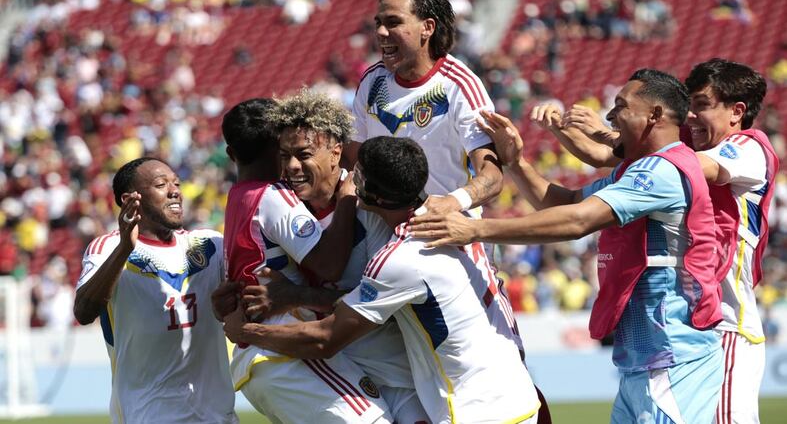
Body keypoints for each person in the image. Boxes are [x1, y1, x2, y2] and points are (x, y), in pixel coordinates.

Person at [411, 69, 724, 423]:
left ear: (654, 115)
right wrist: (514, 161)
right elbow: (564, 203)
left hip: (673, 354)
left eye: (621, 106)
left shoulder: (661, 172)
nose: (609, 116)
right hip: (647, 357)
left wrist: (473, 229)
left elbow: (577, 221)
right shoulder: (637, 171)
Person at [224, 136, 542, 424]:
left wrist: (249, 331)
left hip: (476, 411)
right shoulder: (459, 219)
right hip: (518, 393)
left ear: (373, 195)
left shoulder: (400, 259)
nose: (351, 179)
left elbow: (326, 338)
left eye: (358, 175)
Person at [534, 59, 778, 423]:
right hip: (694, 321)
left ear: (736, 111)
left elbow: (682, 165)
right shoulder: (685, 151)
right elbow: (613, 159)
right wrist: (564, 131)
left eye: (701, 105)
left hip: (727, 322)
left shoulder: (747, 148)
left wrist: (611, 133)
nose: (691, 116)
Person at [215, 98, 393, 423]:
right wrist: (346, 202)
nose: (293, 165)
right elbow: (328, 265)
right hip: (282, 351)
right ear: (277, 146)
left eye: (302, 153)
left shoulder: (239, 196)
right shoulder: (275, 197)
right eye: (286, 153)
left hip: (269, 356)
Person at [73, 158, 237, 424]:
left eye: (177, 183)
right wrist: (125, 248)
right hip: (148, 415)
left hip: (217, 415)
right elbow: (83, 311)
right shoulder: (107, 248)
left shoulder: (210, 245)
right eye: (161, 184)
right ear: (130, 200)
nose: (175, 191)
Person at [344, 0, 503, 217]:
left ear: (427, 28)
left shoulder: (459, 86)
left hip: (442, 229)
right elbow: (353, 158)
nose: (380, 32)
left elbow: (492, 176)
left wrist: (450, 202)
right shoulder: (372, 80)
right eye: (379, 23)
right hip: (380, 221)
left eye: (393, 22)